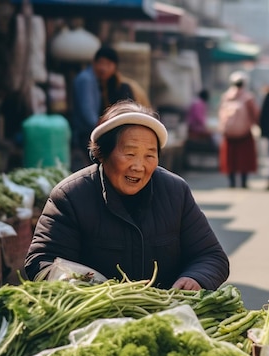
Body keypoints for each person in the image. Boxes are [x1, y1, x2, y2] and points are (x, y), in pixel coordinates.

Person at [25, 100, 229, 290]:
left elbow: (211, 256)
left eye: (150, 155)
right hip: (95, 318)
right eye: (130, 154)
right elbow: (42, 260)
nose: (139, 166)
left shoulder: (175, 192)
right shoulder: (71, 196)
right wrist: (83, 284)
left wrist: (195, 278)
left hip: (165, 314)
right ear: (101, 153)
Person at [72, 46, 134, 161]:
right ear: (94, 63)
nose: (103, 68)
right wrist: (103, 131)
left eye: (108, 64)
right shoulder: (87, 80)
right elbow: (88, 113)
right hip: (85, 134)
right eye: (101, 63)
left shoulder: (99, 81)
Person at [217, 71, 259, 188]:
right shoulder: (248, 97)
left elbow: (220, 113)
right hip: (245, 133)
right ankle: (244, 182)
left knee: (230, 158)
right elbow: (255, 114)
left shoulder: (226, 96)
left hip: (228, 133)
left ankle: (232, 182)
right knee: (244, 158)